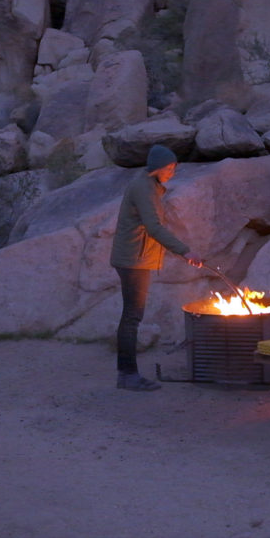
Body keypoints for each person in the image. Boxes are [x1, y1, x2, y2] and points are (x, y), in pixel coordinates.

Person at [110, 144, 203, 392]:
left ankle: (126, 373)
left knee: (132, 315)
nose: (173, 172)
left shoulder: (148, 186)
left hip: (135, 258)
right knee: (132, 317)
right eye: (170, 168)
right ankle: (128, 374)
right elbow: (154, 227)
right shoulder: (144, 189)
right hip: (132, 261)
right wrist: (185, 251)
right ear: (158, 169)